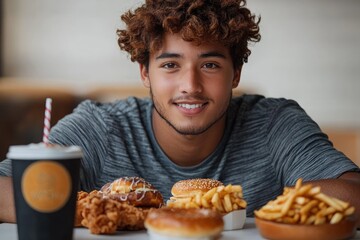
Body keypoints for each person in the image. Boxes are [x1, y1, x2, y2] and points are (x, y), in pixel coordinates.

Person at [1, 0, 359, 226]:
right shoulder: (100, 127)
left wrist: (256, 207)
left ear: (235, 74)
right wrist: (106, 211)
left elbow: (353, 193)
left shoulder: (275, 123)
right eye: (170, 64)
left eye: (211, 65)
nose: (191, 85)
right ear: (145, 73)